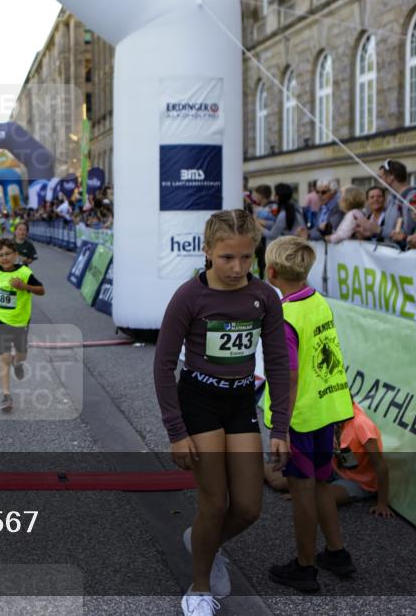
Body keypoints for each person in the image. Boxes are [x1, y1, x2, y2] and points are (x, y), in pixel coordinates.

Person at [153, 209, 291, 616]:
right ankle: (198, 588)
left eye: (247, 257)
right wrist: (176, 432)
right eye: (227, 257)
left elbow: (278, 363)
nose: (237, 268)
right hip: (199, 401)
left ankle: (203, 541)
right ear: (208, 251)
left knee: (248, 508)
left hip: (240, 402)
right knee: (214, 504)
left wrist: (280, 427)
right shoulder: (189, 296)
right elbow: (163, 365)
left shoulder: (264, 296)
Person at [262, 236, 355, 593]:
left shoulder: (284, 316)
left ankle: (304, 567)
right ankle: (336, 552)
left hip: (299, 418)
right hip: (326, 410)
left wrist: (280, 428)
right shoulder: (318, 300)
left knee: (302, 493)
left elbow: (289, 375)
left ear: (271, 272)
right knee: (321, 484)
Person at [0, 238, 45, 413]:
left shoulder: (24, 272)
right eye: (0, 255)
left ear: (15, 254)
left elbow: (41, 290)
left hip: (20, 322)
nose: (5, 258)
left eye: (8, 254)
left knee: (21, 355)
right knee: (4, 358)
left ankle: (18, 363)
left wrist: (24, 286)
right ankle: (6, 396)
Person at [332, 401, 394, 517]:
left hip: (358, 482)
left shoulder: (361, 424)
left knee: (320, 498)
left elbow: (380, 465)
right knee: (299, 484)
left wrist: (382, 503)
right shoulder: (331, 417)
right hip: (336, 469)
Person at [382, 160, 416, 248]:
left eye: (382, 177)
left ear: (391, 178)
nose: (381, 181)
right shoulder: (392, 198)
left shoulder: (412, 197)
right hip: (390, 251)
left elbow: (408, 232)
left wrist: (379, 230)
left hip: (404, 252)